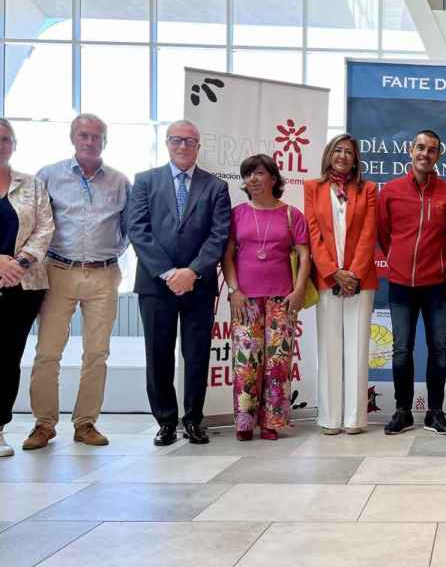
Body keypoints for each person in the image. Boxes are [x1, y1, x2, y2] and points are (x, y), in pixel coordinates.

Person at [23, 114, 129, 451]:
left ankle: (85, 424)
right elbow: (36, 222)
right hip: (59, 271)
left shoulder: (119, 181)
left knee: (97, 353)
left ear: (105, 141)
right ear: (73, 138)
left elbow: (129, 227)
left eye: (97, 136)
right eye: (84, 135)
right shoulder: (48, 176)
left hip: (103, 274)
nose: (89, 142)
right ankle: (43, 424)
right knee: (48, 352)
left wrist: (110, 252)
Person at [127, 119, 231, 446]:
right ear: (167, 144)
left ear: (199, 146)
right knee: (158, 354)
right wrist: (170, 273)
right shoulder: (145, 181)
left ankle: (194, 419)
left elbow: (218, 236)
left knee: (197, 354)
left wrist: (193, 272)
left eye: (189, 141)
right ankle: (166, 422)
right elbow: (137, 230)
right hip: (156, 285)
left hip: (198, 286)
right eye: (176, 140)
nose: (183, 146)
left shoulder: (215, 187)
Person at [222, 154, 310, 441]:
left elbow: (304, 255)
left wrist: (298, 291)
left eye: (258, 173)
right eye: (247, 175)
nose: (252, 180)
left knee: (277, 363)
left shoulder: (291, 214)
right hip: (245, 299)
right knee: (246, 363)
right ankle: (245, 421)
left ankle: (272, 422)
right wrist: (234, 290)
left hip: (281, 300)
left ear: (273, 178)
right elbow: (227, 256)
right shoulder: (236, 214)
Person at [378, 130, 446, 435]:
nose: (425, 153)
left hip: (437, 284)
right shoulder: (392, 191)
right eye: (420, 148)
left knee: (438, 349)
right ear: (411, 151)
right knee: (401, 350)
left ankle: (435, 413)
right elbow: (384, 235)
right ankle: (403, 411)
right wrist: (398, 260)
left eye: (432, 150)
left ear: (438, 156)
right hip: (400, 283)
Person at [305, 134, 378, 435]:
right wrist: (333, 271)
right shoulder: (313, 188)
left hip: (361, 281)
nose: (343, 155)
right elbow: (312, 232)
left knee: (358, 348)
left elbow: (368, 234)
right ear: (329, 154)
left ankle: (354, 418)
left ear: (355, 158)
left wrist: (353, 274)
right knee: (330, 347)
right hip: (326, 278)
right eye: (338, 150)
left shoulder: (368, 189)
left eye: (349, 152)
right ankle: (330, 418)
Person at [0, 119, 55, 458]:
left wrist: (17, 265)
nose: (2, 144)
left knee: (6, 359)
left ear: (15, 144)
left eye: (7, 139)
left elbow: (45, 229)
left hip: (22, 285)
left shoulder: (32, 185)